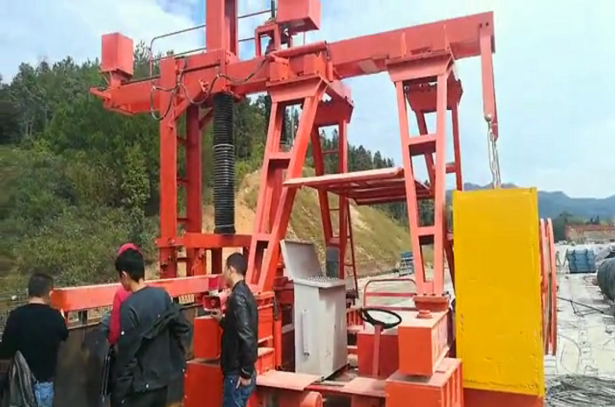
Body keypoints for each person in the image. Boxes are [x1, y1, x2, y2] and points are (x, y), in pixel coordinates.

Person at [111, 247, 192, 407]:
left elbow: (127, 356)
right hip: (162, 384)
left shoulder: (128, 307)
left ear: (125, 275)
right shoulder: (162, 295)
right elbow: (183, 327)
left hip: (140, 389)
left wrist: (118, 395)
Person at [0, 272, 68, 407]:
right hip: (44, 383)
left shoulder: (16, 315)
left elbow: (6, 349)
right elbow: (64, 335)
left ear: (28, 292)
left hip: (20, 383)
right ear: (49, 293)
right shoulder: (54, 316)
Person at [211, 253, 259, 407]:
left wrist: (245, 373)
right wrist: (222, 320)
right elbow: (239, 328)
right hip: (241, 371)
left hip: (236, 374)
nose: (224, 273)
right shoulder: (246, 293)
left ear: (231, 269)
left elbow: (247, 336)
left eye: (225, 269)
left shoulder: (237, 298)